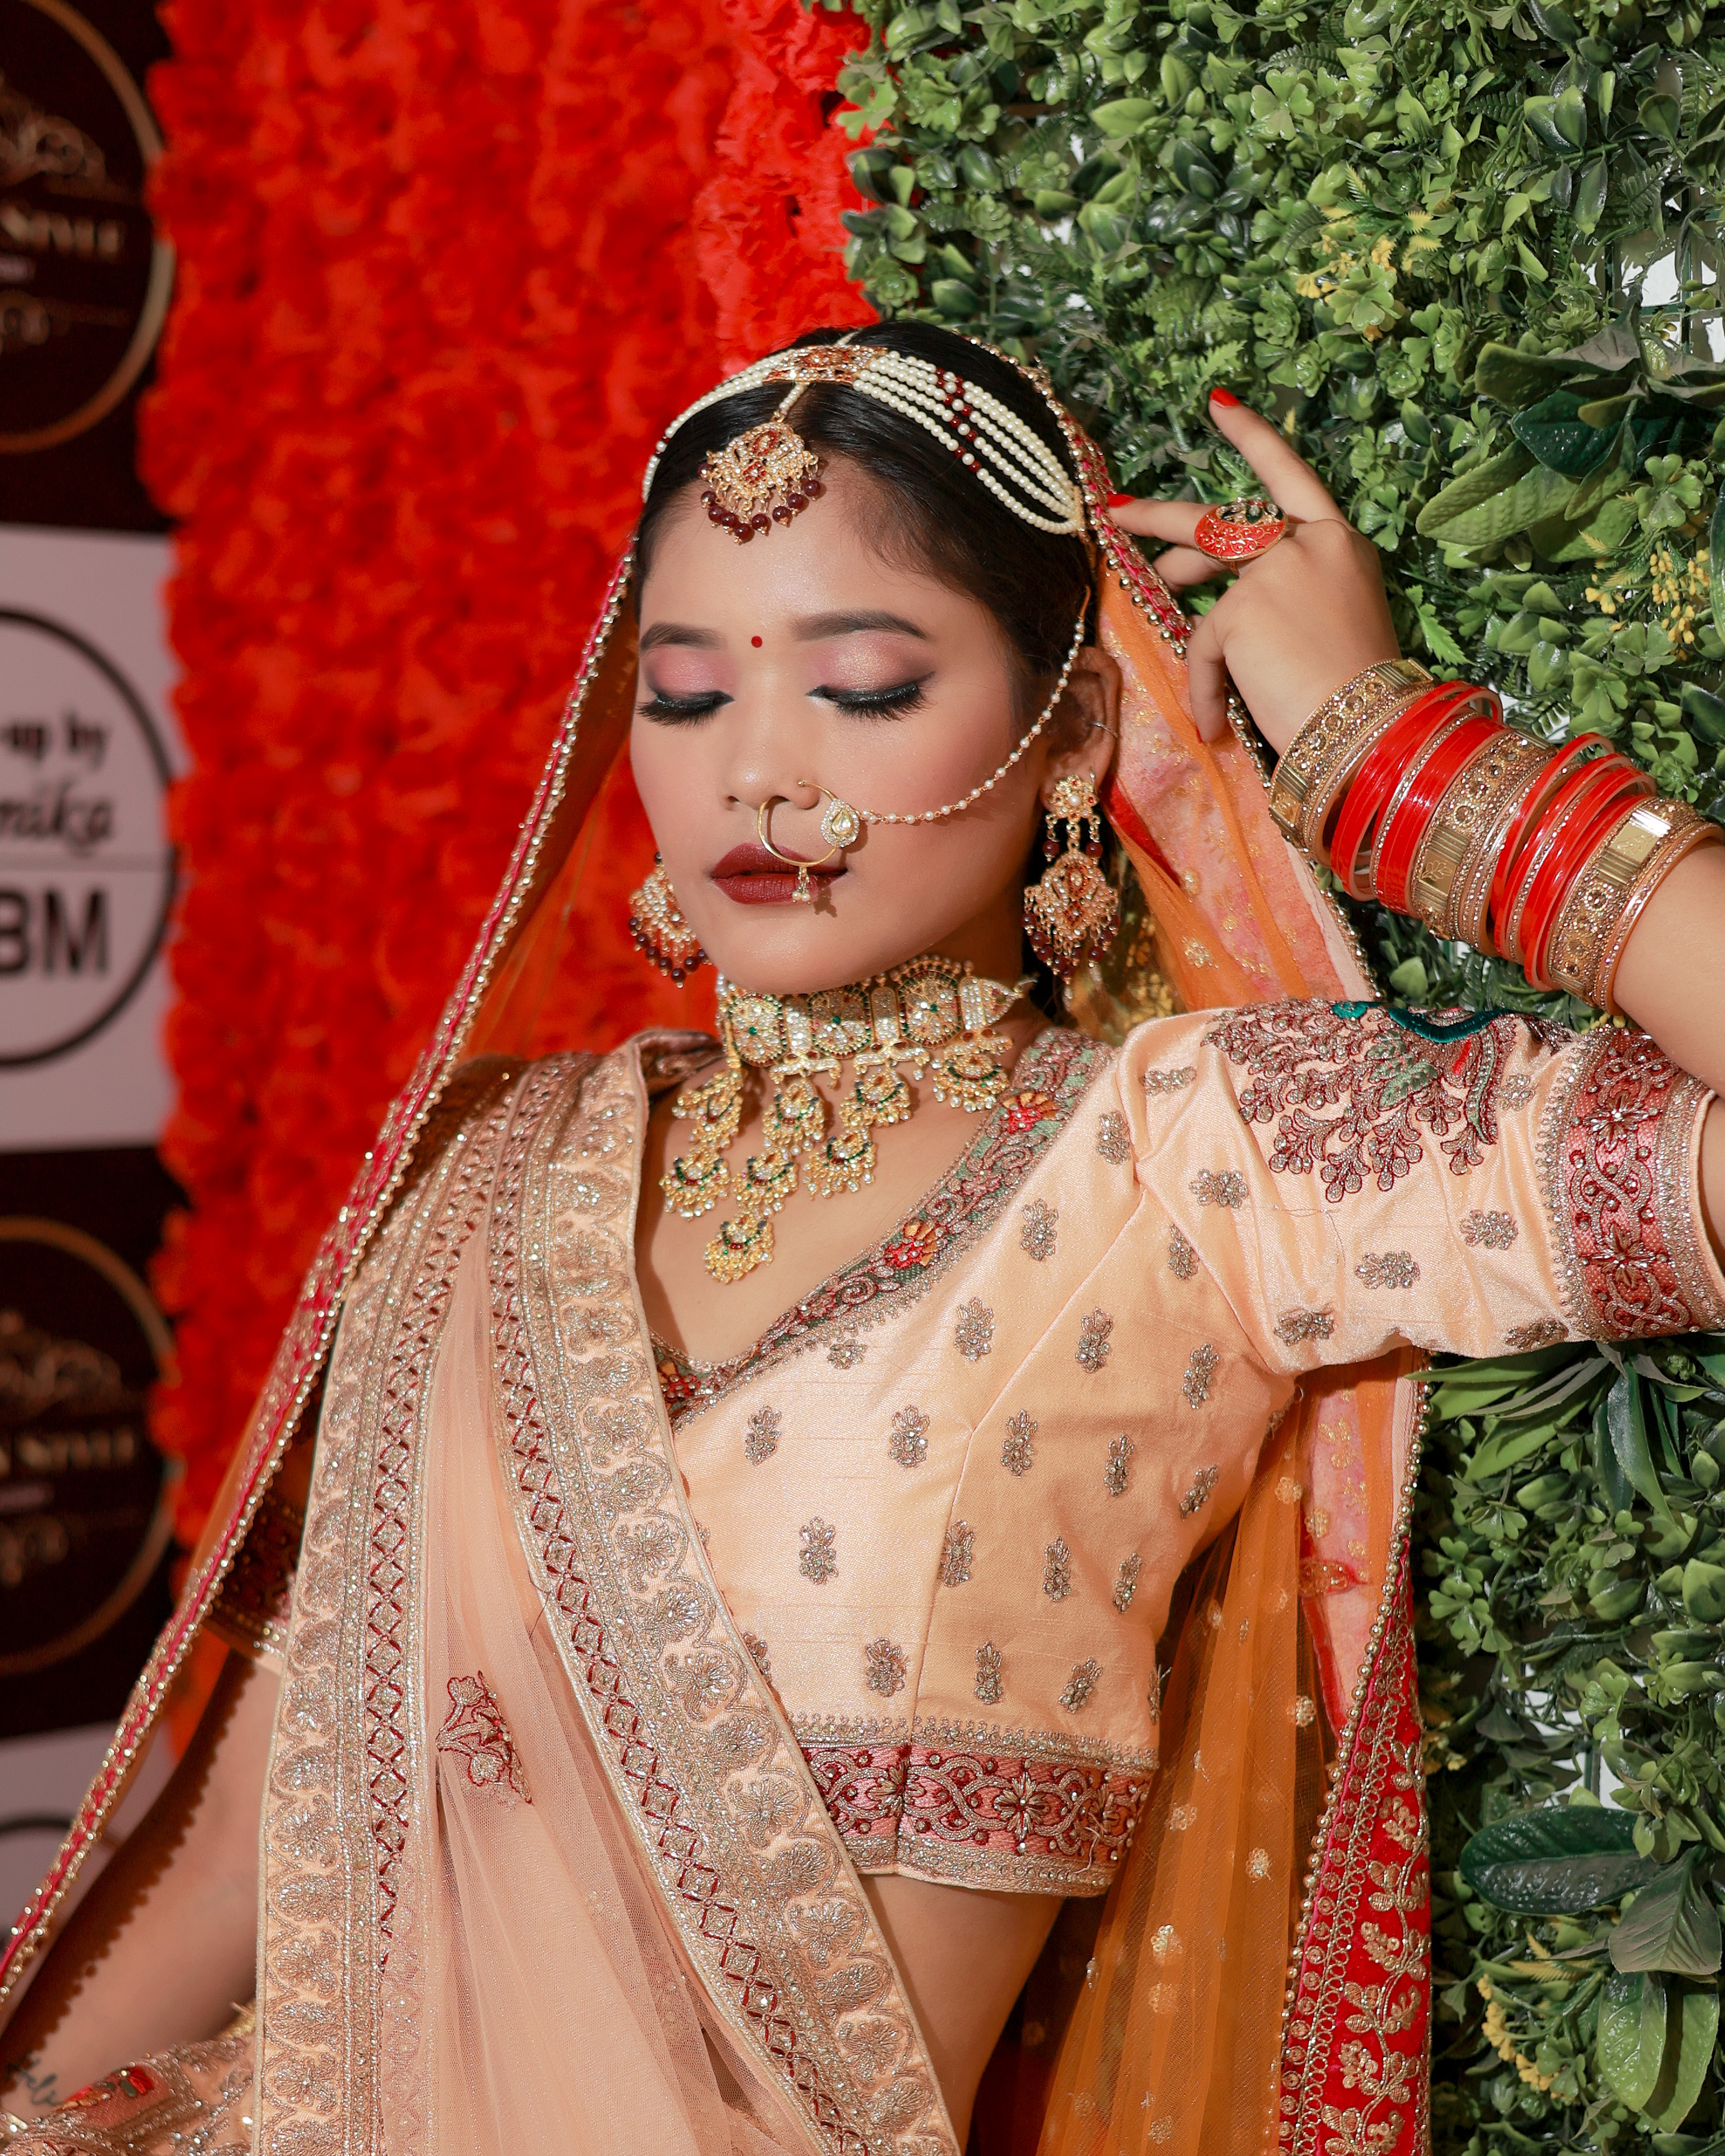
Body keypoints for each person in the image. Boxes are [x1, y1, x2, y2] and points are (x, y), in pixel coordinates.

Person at [2, 321, 1721, 2156]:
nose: (756, 773)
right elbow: (241, 1839)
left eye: (865, 685)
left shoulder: (1192, 1158)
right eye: (685, 695)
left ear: (1073, 732)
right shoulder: (485, 1175)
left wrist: (1398, 759)